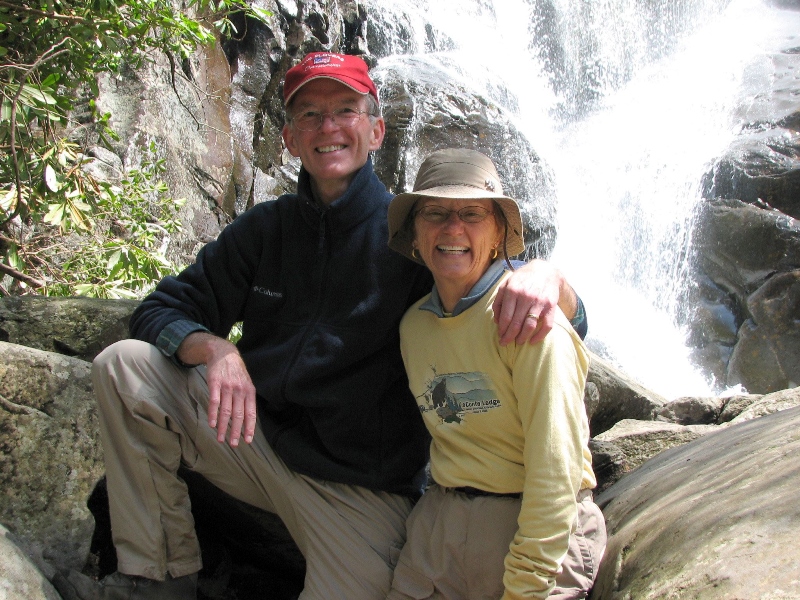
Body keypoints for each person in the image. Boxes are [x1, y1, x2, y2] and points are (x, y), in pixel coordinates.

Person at [54, 53, 588, 600]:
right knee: (125, 366)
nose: (328, 127)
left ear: (376, 129)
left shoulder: (415, 242)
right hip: (254, 443)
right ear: (288, 138)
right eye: (309, 115)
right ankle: (157, 579)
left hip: (359, 490)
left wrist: (552, 279)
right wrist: (215, 349)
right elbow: (157, 310)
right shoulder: (266, 229)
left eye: (345, 110)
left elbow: (506, 296)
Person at [384, 148, 606, 600]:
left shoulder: (528, 319)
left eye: (472, 213)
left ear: (499, 231)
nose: (452, 228)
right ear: (414, 232)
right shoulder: (414, 327)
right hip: (439, 528)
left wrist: (528, 580)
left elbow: (556, 468)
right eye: (434, 212)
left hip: (534, 528)